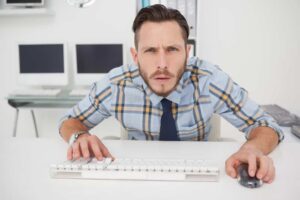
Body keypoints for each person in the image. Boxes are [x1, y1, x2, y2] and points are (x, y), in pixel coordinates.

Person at [59, 4, 283, 184]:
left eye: (172, 49)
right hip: (136, 182)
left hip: (198, 181)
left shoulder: (209, 79)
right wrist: (80, 136)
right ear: (135, 56)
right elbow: (68, 122)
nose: (162, 64)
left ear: (187, 52)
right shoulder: (115, 84)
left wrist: (252, 148)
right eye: (151, 51)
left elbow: (266, 125)